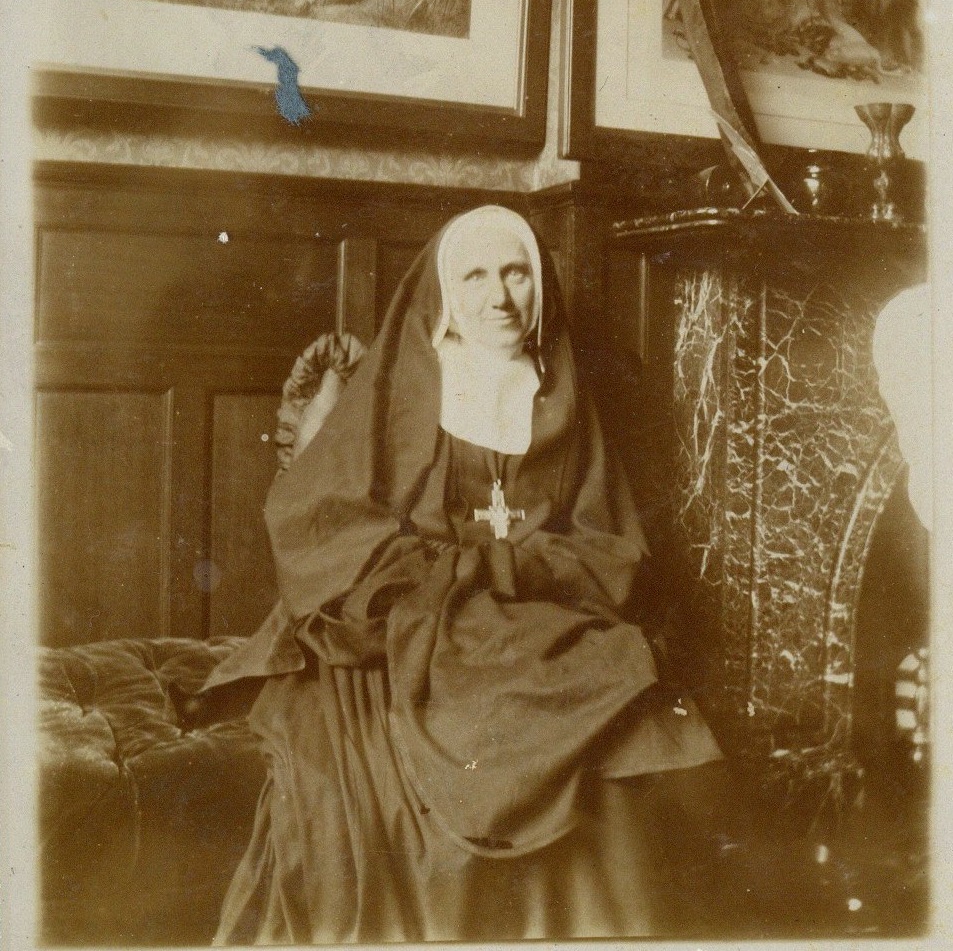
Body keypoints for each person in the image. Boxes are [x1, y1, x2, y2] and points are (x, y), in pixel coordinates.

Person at [199, 205, 735, 943]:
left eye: (515, 273)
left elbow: (606, 534)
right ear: (448, 291)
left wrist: (515, 567)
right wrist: (439, 572)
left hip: (534, 601)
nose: (499, 297)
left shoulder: (561, 389)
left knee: (622, 704)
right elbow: (322, 517)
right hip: (411, 610)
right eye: (476, 277)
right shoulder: (404, 384)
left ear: (539, 283)